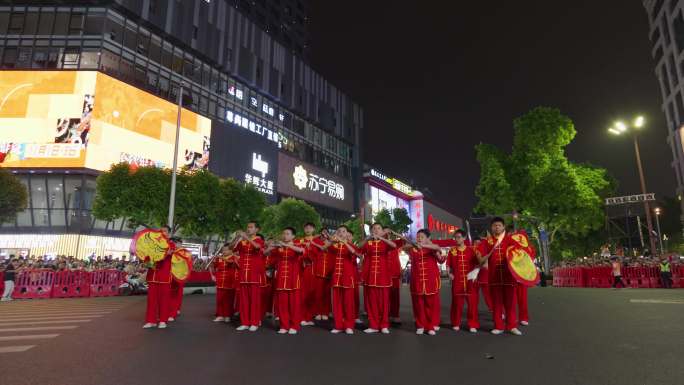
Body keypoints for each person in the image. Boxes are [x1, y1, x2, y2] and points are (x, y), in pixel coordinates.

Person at [476, 217, 523, 336]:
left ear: (503, 227)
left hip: (509, 278)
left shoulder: (510, 240)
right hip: (494, 278)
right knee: (496, 304)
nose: (497, 227)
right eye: (494, 225)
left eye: (499, 225)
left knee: (511, 304)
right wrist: (483, 258)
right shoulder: (487, 242)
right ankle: (499, 326)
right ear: (491, 228)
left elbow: (519, 255)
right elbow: (480, 258)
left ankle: (512, 326)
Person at [402, 229, 445, 335]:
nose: (419, 238)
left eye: (422, 237)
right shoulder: (413, 249)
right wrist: (415, 245)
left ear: (427, 238)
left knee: (430, 305)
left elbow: (438, 248)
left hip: (430, 281)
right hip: (417, 281)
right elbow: (404, 248)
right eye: (418, 236)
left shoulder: (431, 249)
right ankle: (420, 325)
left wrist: (425, 245)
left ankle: (430, 326)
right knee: (418, 305)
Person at [264, 227, 306, 334]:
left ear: (293, 236)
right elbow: (265, 253)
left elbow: (302, 251)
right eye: (284, 234)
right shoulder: (279, 248)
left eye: (287, 234)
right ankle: (284, 325)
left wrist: (287, 245)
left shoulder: (297, 245)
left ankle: (294, 326)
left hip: (293, 279)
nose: (285, 236)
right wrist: (271, 246)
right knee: (282, 304)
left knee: (294, 304)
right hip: (281, 279)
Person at [359, 223, 397, 334]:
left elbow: (394, 246)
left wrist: (381, 237)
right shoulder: (368, 243)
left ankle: (384, 325)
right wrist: (367, 238)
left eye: (378, 228)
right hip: (370, 277)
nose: (376, 230)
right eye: (374, 229)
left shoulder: (385, 242)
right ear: (371, 231)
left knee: (384, 303)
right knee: (372, 303)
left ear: (382, 231)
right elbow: (359, 247)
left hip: (383, 278)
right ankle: (374, 325)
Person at [325, 225, 361, 335]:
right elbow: (324, 247)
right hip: (336, 277)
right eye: (339, 231)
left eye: (343, 231)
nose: (341, 233)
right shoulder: (334, 246)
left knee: (348, 303)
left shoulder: (351, 246)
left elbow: (355, 254)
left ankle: (349, 325)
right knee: (337, 303)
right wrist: (332, 240)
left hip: (347, 278)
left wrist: (344, 242)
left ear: (347, 234)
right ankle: (338, 325)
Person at [233, 221, 266, 332]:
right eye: (247, 227)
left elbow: (257, 247)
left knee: (254, 300)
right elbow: (232, 248)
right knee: (244, 300)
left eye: (251, 227)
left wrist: (246, 238)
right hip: (243, 275)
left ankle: (254, 322)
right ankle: (245, 322)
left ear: (257, 230)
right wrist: (237, 237)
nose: (248, 229)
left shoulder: (259, 240)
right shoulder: (242, 241)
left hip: (254, 275)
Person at [447, 229, 479, 333]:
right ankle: (456, 323)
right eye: (455, 237)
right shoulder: (452, 251)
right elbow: (448, 265)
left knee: (472, 304)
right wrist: (449, 273)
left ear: (464, 238)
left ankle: (472, 324)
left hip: (470, 281)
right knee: (456, 304)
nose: (456, 239)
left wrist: (476, 272)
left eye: (459, 237)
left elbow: (478, 263)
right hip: (457, 281)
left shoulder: (471, 250)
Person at [143, 226, 175, 329]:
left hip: (165, 276)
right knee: (151, 300)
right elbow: (147, 258)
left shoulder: (171, 244)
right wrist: (145, 259)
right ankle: (150, 320)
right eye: (160, 231)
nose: (162, 232)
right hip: (153, 275)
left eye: (165, 231)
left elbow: (167, 255)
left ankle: (162, 320)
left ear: (169, 233)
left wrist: (164, 253)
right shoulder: (152, 243)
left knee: (164, 300)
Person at [299, 223, 325, 326]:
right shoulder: (300, 240)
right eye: (306, 227)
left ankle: (308, 317)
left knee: (312, 294)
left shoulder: (318, 241)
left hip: (314, 269)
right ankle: (301, 317)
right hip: (302, 269)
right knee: (302, 294)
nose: (308, 229)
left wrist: (311, 246)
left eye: (310, 227)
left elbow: (322, 252)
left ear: (314, 229)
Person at [211, 244, 238, 323]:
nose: (224, 251)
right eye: (223, 250)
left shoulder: (233, 257)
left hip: (229, 281)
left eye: (226, 250)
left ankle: (228, 315)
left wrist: (221, 257)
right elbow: (213, 267)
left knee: (229, 300)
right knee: (220, 299)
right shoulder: (219, 258)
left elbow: (231, 262)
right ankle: (220, 315)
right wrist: (212, 262)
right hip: (220, 281)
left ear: (231, 251)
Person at [384, 226, 403, 324]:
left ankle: (395, 315)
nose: (387, 234)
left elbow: (405, 240)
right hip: (384, 274)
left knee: (395, 296)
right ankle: (385, 315)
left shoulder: (395, 242)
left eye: (389, 232)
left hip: (395, 273)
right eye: (385, 232)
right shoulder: (380, 243)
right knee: (384, 297)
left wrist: (395, 233)